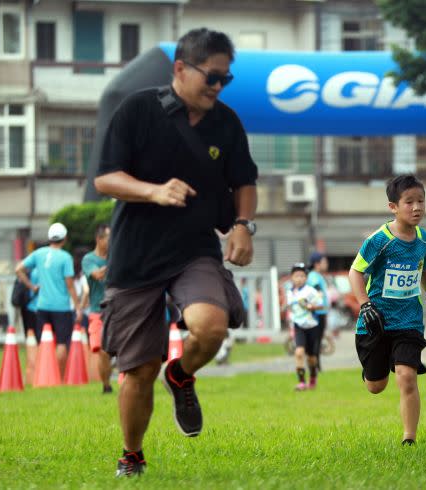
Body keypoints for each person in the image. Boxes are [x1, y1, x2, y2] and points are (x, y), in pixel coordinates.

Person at [93, 28, 258, 477]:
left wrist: (243, 226)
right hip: (136, 257)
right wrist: (153, 191)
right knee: (139, 369)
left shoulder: (226, 122)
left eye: (226, 79)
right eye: (212, 76)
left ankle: (181, 374)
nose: (218, 87)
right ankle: (132, 455)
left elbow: (244, 180)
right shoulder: (138, 110)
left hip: (194, 249)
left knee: (210, 328)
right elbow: (105, 178)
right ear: (181, 69)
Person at [348, 174, 426, 446]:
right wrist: (365, 304)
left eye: (421, 201)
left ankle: (409, 439)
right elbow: (355, 272)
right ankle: (378, 366)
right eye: (409, 202)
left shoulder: (424, 239)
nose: (417, 208)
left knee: (406, 377)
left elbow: (422, 269)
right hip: (377, 321)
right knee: (376, 386)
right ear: (393, 206)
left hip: (409, 321)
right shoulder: (379, 240)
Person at [15, 223, 82, 377]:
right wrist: (78, 307)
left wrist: (32, 287)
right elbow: (70, 285)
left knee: (43, 341)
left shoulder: (39, 253)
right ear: (64, 239)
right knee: (61, 343)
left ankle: (43, 375)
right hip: (61, 307)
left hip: (42, 306)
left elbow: (18, 269)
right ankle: (59, 375)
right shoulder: (65, 257)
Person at [82, 224, 113, 393]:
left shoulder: (115, 256)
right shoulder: (89, 260)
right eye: (108, 238)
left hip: (117, 309)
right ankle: (106, 385)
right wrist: (116, 262)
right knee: (101, 350)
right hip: (97, 311)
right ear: (99, 239)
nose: (111, 242)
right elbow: (98, 275)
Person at [286, 263, 323, 390]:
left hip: (312, 326)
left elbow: (321, 305)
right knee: (299, 353)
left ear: (306, 278)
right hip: (298, 326)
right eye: (296, 276)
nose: (299, 278)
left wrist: (311, 307)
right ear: (292, 277)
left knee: (311, 358)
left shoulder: (310, 291)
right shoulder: (290, 293)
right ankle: (301, 382)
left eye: (302, 276)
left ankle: (313, 376)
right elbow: (290, 309)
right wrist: (289, 324)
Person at [307, 251, 330, 368]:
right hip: (317, 313)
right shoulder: (313, 276)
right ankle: (315, 367)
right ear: (317, 264)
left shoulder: (317, 275)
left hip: (321, 312)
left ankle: (316, 366)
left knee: (318, 340)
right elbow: (317, 292)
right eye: (324, 262)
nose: (326, 264)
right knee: (316, 341)